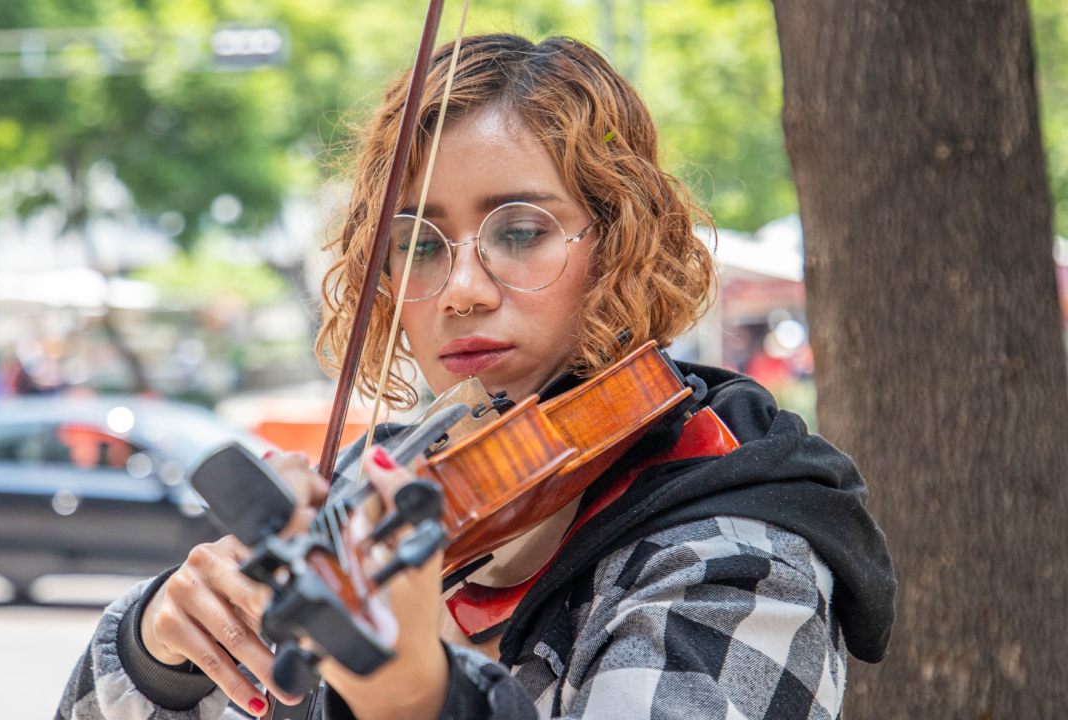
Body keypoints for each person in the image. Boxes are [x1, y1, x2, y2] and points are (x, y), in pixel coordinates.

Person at [58, 34, 895, 720]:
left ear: (621, 244)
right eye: (419, 243)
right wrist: (160, 653)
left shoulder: (736, 558)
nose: (460, 289)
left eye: (521, 231)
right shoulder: (379, 488)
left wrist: (422, 699)